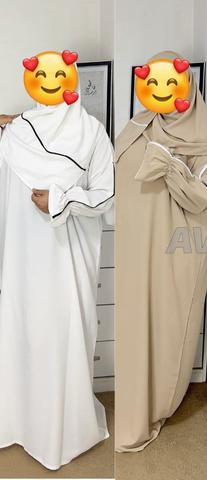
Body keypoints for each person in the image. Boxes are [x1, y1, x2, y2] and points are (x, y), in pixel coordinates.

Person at [0, 85, 114, 469]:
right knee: (23, 334)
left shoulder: (91, 132)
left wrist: (61, 200)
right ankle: (19, 423)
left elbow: (106, 195)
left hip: (66, 261)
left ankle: (56, 433)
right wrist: (11, 124)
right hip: (23, 259)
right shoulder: (17, 132)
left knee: (61, 339)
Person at [115, 51, 207, 452]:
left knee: (162, 323)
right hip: (132, 245)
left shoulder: (205, 140)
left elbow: (203, 197)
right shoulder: (138, 124)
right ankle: (132, 401)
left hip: (172, 250)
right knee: (133, 323)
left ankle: (152, 405)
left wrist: (171, 165)